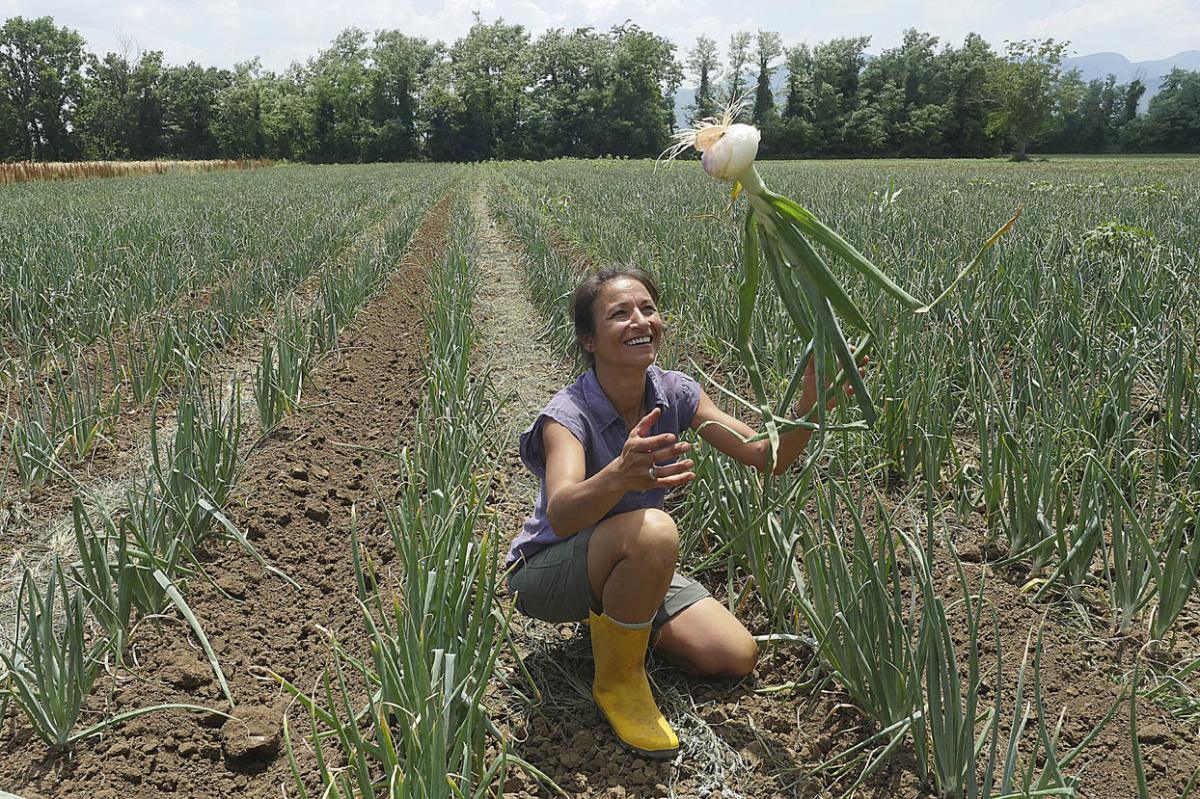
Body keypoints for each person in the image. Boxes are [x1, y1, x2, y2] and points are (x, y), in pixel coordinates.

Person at [506, 266, 860, 759]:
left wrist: (810, 405)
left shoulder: (673, 392)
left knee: (734, 654)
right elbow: (563, 514)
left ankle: (618, 615)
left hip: (631, 553)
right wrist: (620, 477)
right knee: (655, 531)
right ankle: (618, 681)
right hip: (548, 570)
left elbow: (766, 456)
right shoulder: (567, 416)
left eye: (648, 309)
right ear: (588, 339)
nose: (640, 321)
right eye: (619, 314)